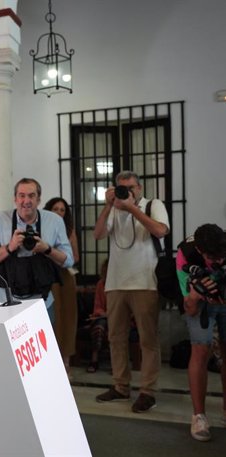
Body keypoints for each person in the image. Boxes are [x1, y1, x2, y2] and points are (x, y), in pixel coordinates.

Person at [93, 170, 170, 413]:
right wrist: (108, 206)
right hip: (115, 283)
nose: (127, 191)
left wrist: (132, 208)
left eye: (131, 187)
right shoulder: (114, 209)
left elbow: (160, 231)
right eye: (121, 188)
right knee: (115, 338)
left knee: (148, 340)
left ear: (140, 188)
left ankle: (147, 391)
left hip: (145, 282)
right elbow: (97, 235)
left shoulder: (153, 205)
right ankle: (121, 386)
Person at [0, 178, 74, 322]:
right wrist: (10, 247)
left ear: (39, 199)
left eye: (31, 196)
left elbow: (68, 261)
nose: (26, 201)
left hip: (42, 302)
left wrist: (47, 249)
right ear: (15, 199)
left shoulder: (54, 221)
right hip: (6, 303)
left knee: (44, 344)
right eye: (21, 195)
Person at [175, 223, 226, 441]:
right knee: (200, 349)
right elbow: (190, 308)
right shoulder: (185, 256)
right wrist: (196, 293)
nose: (219, 261)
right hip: (200, 303)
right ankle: (199, 416)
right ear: (200, 251)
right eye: (213, 258)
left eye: (222, 256)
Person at [44, 197, 80, 375]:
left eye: (62, 210)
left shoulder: (69, 230)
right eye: (55, 209)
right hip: (45, 274)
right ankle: (49, 360)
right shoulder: (41, 226)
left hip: (65, 275)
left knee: (66, 316)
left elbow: (75, 257)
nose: (58, 213)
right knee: (51, 315)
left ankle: (65, 360)